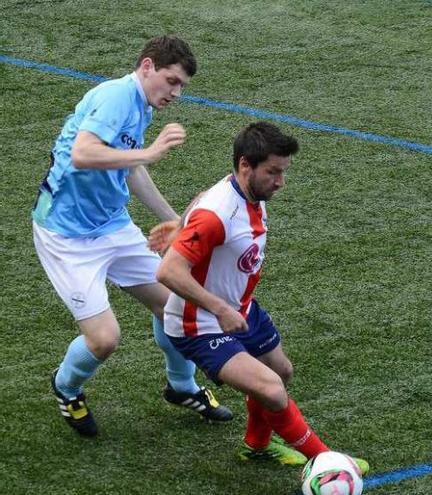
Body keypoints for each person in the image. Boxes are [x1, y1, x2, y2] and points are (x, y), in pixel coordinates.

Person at [34, 35, 232, 438]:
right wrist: (150, 152)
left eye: (182, 87)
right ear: (146, 66)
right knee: (104, 340)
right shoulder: (115, 97)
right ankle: (66, 387)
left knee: (176, 307)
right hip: (67, 237)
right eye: (171, 81)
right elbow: (83, 154)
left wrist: (174, 219)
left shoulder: (139, 104)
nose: (176, 92)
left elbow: (129, 168)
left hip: (112, 225)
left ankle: (182, 387)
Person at [152, 122, 369, 472]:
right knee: (270, 389)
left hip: (240, 308)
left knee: (280, 371)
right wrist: (219, 308)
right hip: (200, 324)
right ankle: (328, 462)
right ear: (244, 166)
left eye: (284, 172)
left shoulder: (244, 192)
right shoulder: (218, 214)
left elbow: (201, 200)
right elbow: (167, 272)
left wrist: (180, 226)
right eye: (273, 172)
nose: (280, 182)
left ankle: (256, 447)